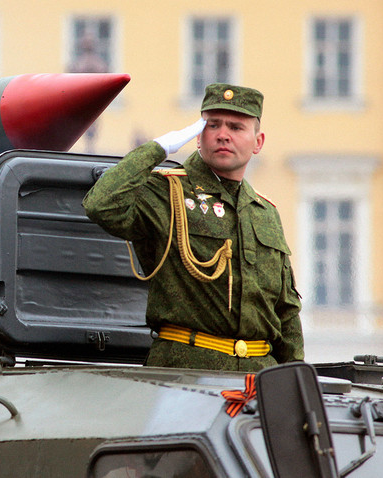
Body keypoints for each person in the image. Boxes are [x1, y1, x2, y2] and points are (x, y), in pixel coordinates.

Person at [83, 83, 304, 371]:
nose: (223, 134)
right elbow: (100, 205)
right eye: (213, 125)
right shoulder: (169, 191)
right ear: (198, 136)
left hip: (259, 374)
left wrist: (295, 374)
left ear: (258, 142)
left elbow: (286, 309)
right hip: (185, 371)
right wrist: (157, 149)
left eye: (236, 127)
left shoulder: (265, 212)